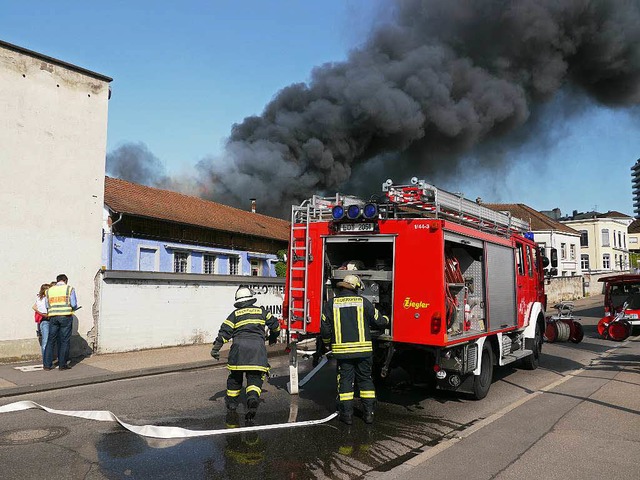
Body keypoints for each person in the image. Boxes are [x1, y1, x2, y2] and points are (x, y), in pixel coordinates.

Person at [321, 274, 389, 425]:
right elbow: (379, 321)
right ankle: (369, 414)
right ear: (357, 288)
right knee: (365, 380)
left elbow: (325, 328)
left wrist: (326, 343)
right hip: (364, 352)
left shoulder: (331, 304)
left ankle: (347, 416)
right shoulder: (363, 302)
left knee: (345, 381)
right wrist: (388, 319)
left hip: (343, 353)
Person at [210, 286, 280, 421]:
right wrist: (273, 337)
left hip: (238, 353)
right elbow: (275, 325)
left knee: (235, 379)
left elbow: (224, 332)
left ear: (238, 300)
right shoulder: (262, 312)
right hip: (257, 352)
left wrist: (216, 348)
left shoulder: (235, 314)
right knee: (254, 378)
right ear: (251, 298)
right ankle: (252, 398)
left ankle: (232, 404)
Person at [44, 274, 78, 371]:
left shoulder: (49, 290)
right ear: (65, 280)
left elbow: (47, 305)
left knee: (51, 340)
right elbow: (74, 304)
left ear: (57, 280)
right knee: (64, 341)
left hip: (53, 317)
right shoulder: (69, 289)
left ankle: (47, 365)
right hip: (65, 316)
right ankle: (62, 365)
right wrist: (73, 308)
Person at [32, 283, 50, 360]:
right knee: (45, 341)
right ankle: (46, 359)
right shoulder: (42, 299)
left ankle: (47, 359)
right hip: (45, 320)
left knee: (46, 340)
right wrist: (44, 315)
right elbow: (36, 308)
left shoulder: (40, 298)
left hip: (43, 320)